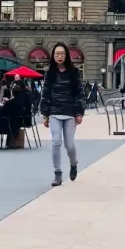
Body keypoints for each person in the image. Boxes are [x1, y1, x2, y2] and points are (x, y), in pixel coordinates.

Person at [40, 42, 86, 187]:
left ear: (66, 55)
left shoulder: (74, 73)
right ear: (53, 56)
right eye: (56, 54)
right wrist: (45, 114)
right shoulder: (50, 74)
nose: (59, 56)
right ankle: (57, 173)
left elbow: (79, 93)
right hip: (54, 112)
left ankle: (73, 164)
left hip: (70, 112)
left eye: (62, 53)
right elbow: (45, 94)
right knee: (56, 142)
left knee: (70, 145)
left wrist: (79, 112)